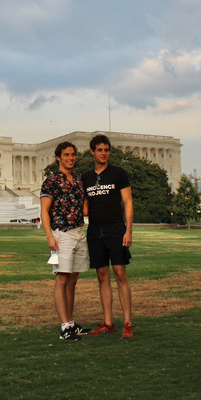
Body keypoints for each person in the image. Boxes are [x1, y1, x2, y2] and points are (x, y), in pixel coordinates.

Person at [81, 134, 135, 339]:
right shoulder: (86, 177)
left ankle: (128, 322)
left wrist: (128, 230)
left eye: (107, 150)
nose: (104, 153)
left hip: (115, 229)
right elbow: (85, 206)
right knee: (102, 276)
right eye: (100, 150)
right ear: (92, 151)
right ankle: (108, 322)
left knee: (120, 274)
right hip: (95, 231)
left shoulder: (118, 174)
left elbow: (127, 203)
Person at [40, 141, 89, 341]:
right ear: (58, 157)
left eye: (73, 155)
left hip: (78, 232)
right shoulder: (51, 181)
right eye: (66, 155)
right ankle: (64, 327)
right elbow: (44, 210)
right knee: (62, 279)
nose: (71, 158)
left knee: (73, 279)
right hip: (61, 234)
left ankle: (71, 322)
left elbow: (83, 207)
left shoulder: (77, 181)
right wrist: (49, 236)